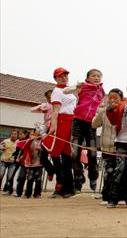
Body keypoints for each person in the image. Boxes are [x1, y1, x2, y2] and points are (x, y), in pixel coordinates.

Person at [64, 68, 105, 193]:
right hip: (78, 121)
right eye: (94, 76)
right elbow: (66, 91)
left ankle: (93, 177)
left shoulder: (102, 91)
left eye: (99, 76)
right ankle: (78, 177)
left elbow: (99, 106)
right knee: (75, 153)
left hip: (91, 123)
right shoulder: (83, 86)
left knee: (92, 153)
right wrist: (76, 86)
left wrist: (100, 111)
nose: (96, 78)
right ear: (88, 77)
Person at [43, 67, 76, 198]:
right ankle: (62, 186)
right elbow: (55, 111)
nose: (64, 77)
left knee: (67, 155)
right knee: (58, 154)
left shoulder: (69, 90)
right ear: (55, 78)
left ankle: (69, 187)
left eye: (66, 75)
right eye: (61, 76)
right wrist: (53, 127)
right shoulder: (56, 91)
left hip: (70, 122)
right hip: (61, 122)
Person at [91, 90, 117, 205]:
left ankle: (117, 196)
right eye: (110, 98)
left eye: (116, 98)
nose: (112, 100)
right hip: (106, 148)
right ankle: (106, 196)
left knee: (118, 173)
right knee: (108, 172)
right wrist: (100, 112)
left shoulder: (123, 111)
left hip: (120, 148)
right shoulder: (104, 111)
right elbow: (94, 125)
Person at [31, 90, 56, 182]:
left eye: (52, 97)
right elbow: (31, 109)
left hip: (56, 129)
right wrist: (41, 109)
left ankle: (60, 175)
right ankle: (51, 171)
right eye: (48, 97)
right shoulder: (45, 105)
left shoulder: (60, 104)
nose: (50, 99)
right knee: (42, 156)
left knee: (55, 155)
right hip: (47, 130)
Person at [21, 130, 43, 198]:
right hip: (31, 163)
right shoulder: (30, 140)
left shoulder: (42, 140)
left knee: (38, 179)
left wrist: (40, 150)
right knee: (30, 179)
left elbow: (46, 150)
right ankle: (27, 194)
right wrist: (30, 140)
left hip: (39, 163)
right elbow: (24, 147)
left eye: (40, 131)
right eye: (37, 131)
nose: (38, 132)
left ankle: (37, 194)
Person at [0, 130, 18, 195]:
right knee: (1, 174)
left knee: (10, 177)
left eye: (15, 134)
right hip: (3, 161)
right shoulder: (5, 141)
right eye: (12, 134)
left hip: (12, 162)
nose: (13, 135)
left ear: (17, 135)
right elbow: (1, 146)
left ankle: (8, 190)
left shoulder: (18, 142)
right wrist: (2, 148)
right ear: (10, 135)